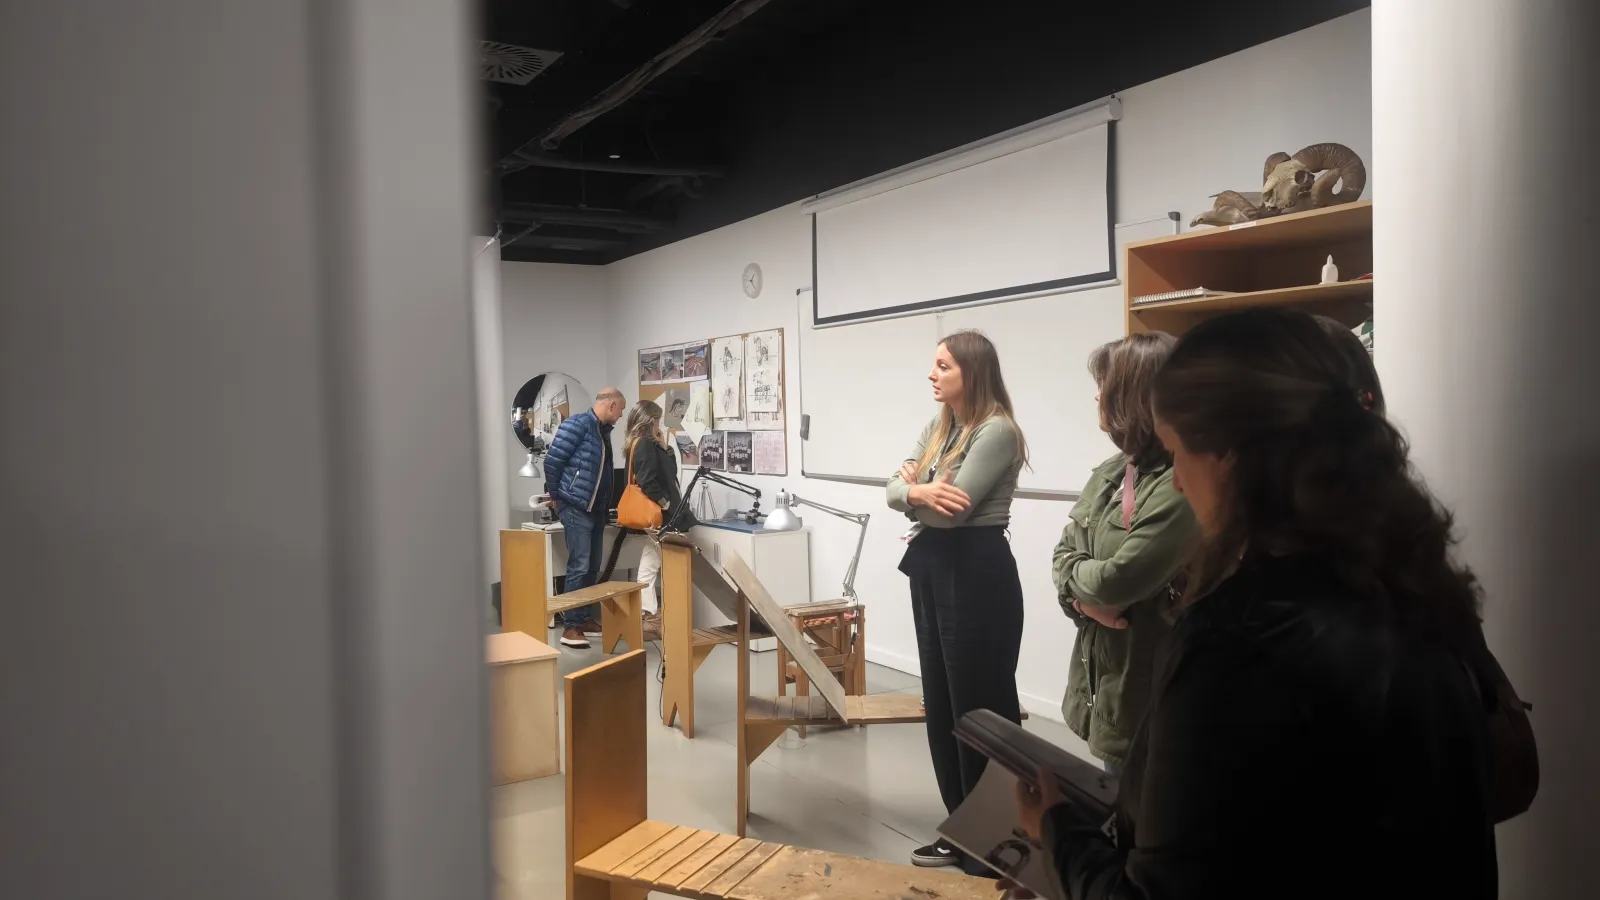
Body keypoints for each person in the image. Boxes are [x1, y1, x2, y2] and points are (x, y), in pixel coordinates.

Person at [1012, 309, 1496, 899]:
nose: (1182, 484)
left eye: (1178, 452)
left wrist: (1058, 831)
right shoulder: (1420, 590)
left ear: (1232, 458)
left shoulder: (1238, 639)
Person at [886, 330, 1028, 874]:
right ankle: (963, 828)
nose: (932, 374)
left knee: (981, 707)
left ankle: (998, 840)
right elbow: (895, 487)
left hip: (975, 572)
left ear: (971, 371)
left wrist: (915, 491)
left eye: (942, 365)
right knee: (942, 704)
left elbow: (954, 514)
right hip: (933, 569)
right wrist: (918, 491)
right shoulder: (940, 426)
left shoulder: (996, 432)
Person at [1052, 333, 1197, 778]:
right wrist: (1080, 598)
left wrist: (1079, 581)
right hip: (1108, 686)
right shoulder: (1116, 470)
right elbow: (1062, 554)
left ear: (1133, 395)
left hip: (1153, 694)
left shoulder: (1182, 482)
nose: (1097, 394)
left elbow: (1118, 581)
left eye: (1105, 383)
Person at [543, 387, 627, 649]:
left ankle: (583, 618)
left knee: (592, 566)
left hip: (595, 510)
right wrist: (557, 497)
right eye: (621, 409)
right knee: (578, 566)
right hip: (576, 506)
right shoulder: (577, 425)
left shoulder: (602, 432)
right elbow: (552, 462)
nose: (621, 415)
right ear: (611, 405)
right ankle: (570, 627)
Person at [623, 399, 696, 641]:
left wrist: (666, 448)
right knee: (658, 563)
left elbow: (670, 474)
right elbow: (647, 482)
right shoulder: (643, 444)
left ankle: (648, 615)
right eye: (657, 419)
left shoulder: (649, 444)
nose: (660, 424)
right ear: (650, 420)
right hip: (662, 515)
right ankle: (651, 617)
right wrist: (666, 504)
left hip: (664, 514)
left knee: (651, 561)